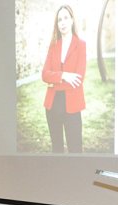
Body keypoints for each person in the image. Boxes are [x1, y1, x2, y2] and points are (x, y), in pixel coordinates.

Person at [42, 4, 86, 154]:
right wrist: (64, 75)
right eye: (59, 19)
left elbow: (79, 79)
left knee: (75, 150)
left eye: (66, 18)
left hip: (72, 106)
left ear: (72, 20)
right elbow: (44, 74)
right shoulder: (53, 46)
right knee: (57, 150)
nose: (63, 22)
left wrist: (53, 82)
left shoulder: (81, 45)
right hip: (52, 105)